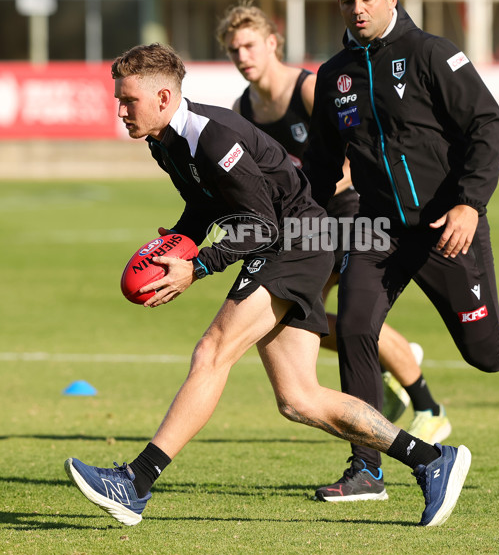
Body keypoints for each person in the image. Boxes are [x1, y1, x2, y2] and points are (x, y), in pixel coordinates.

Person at [63, 42, 471, 528]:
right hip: (284, 241)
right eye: (119, 100)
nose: (121, 110)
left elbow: (263, 225)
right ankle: (430, 460)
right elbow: (205, 206)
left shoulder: (211, 138)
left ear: (165, 97)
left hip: (295, 241)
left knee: (212, 352)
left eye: (128, 101)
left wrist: (199, 266)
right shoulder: (162, 141)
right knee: (298, 398)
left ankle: (136, 482)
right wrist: (179, 243)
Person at [302, 0, 499, 502]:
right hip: (377, 230)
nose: (357, 9)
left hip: (447, 226)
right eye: (347, 1)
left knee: (485, 350)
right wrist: (297, 224)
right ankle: (367, 467)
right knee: (357, 327)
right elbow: (320, 166)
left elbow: (487, 125)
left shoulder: (431, 53)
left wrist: (469, 205)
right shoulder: (335, 75)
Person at [215, 3, 452, 451]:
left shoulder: (308, 88)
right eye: (233, 50)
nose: (242, 55)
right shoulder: (243, 108)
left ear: (272, 43)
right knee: (292, 326)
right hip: (304, 224)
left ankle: (426, 406)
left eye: (249, 45)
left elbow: (350, 154)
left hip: (348, 211)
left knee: (330, 319)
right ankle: (389, 359)